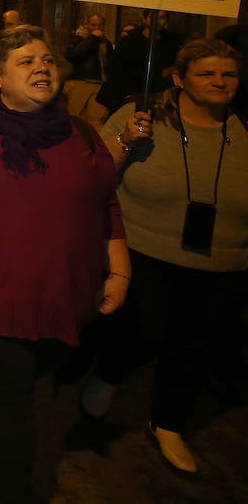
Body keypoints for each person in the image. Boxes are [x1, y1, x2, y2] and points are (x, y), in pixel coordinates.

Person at [0, 25, 128, 503]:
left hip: (61, 301)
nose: (42, 67)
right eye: (26, 61)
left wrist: (119, 269)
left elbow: (104, 202)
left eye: (47, 59)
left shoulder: (80, 132)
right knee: (11, 406)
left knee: (7, 387)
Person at [82, 39, 248, 475]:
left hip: (223, 261)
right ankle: (109, 373)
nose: (219, 82)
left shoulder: (243, 126)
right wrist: (125, 140)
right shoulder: (142, 118)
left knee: (195, 344)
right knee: (139, 331)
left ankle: (169, 422)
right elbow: (94, 174)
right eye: (207, 73)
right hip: (145, 250)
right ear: (178, 78)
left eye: (228, 74)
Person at [65, 13, 112, 125]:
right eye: (93, 25)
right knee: (75, 117)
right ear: (87, 25)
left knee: (96, 118)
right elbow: (75, 54)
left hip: (99, 83)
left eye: (100, 25)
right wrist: (93, 38)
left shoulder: (105, 43)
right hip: (81, 82)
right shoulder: (79, 39)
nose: (97, 28)